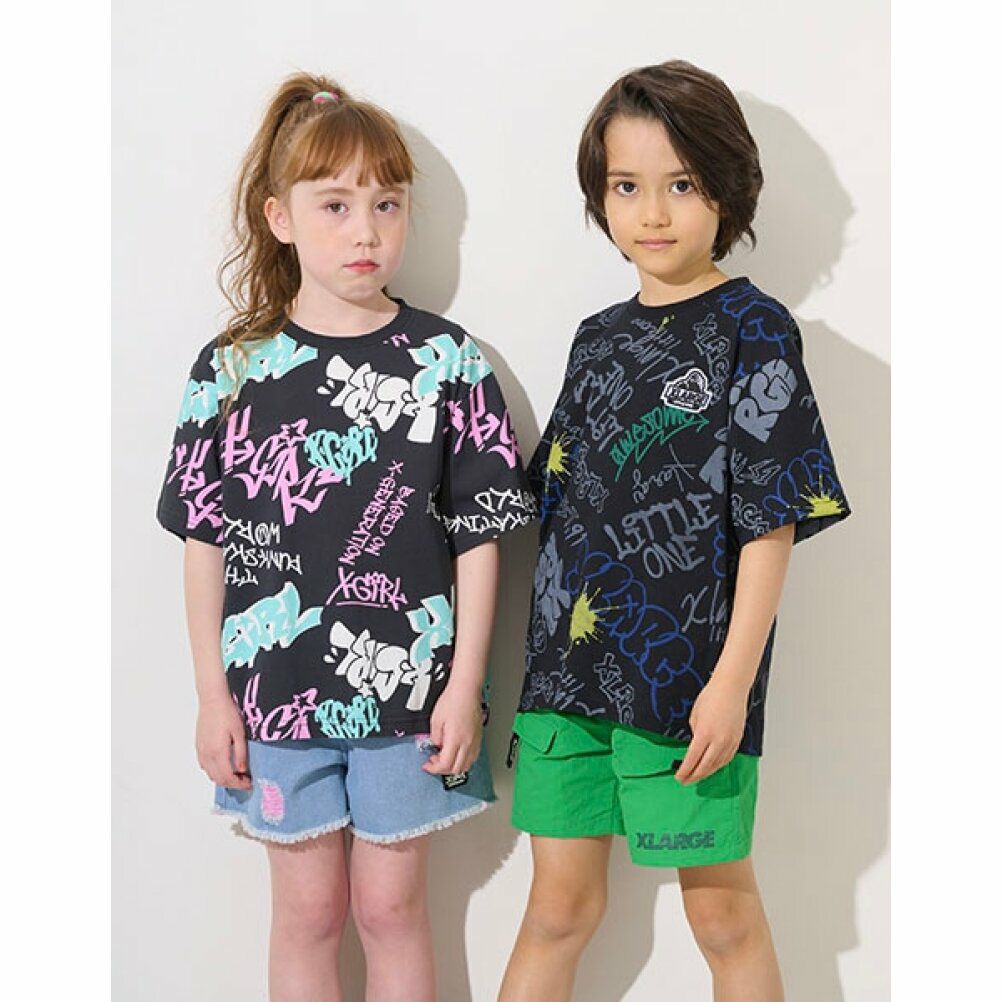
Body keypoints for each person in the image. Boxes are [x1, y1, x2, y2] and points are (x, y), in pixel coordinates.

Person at [155, 72, 536, 1002]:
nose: (366, 231)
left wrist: (463, 688)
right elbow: (203, 541)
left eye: (386, 204)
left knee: (391, 911)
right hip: (272, 699)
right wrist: (212, 696)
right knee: (308, 913)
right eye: (336, 205)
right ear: (279, 216)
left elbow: (481, 540)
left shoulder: (447, 362)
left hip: (409, 697)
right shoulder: (230, 370)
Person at [499, 60, 851, 1002]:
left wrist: (730, 686)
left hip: (687, 684)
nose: (653, 213)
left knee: (722, 919)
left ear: (725, 190)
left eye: (682, 185)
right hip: (564, 682)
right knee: (556, 912)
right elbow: (556, 503)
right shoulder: (595, 338)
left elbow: (771, 518)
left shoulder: (755, 329)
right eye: (627, 186)